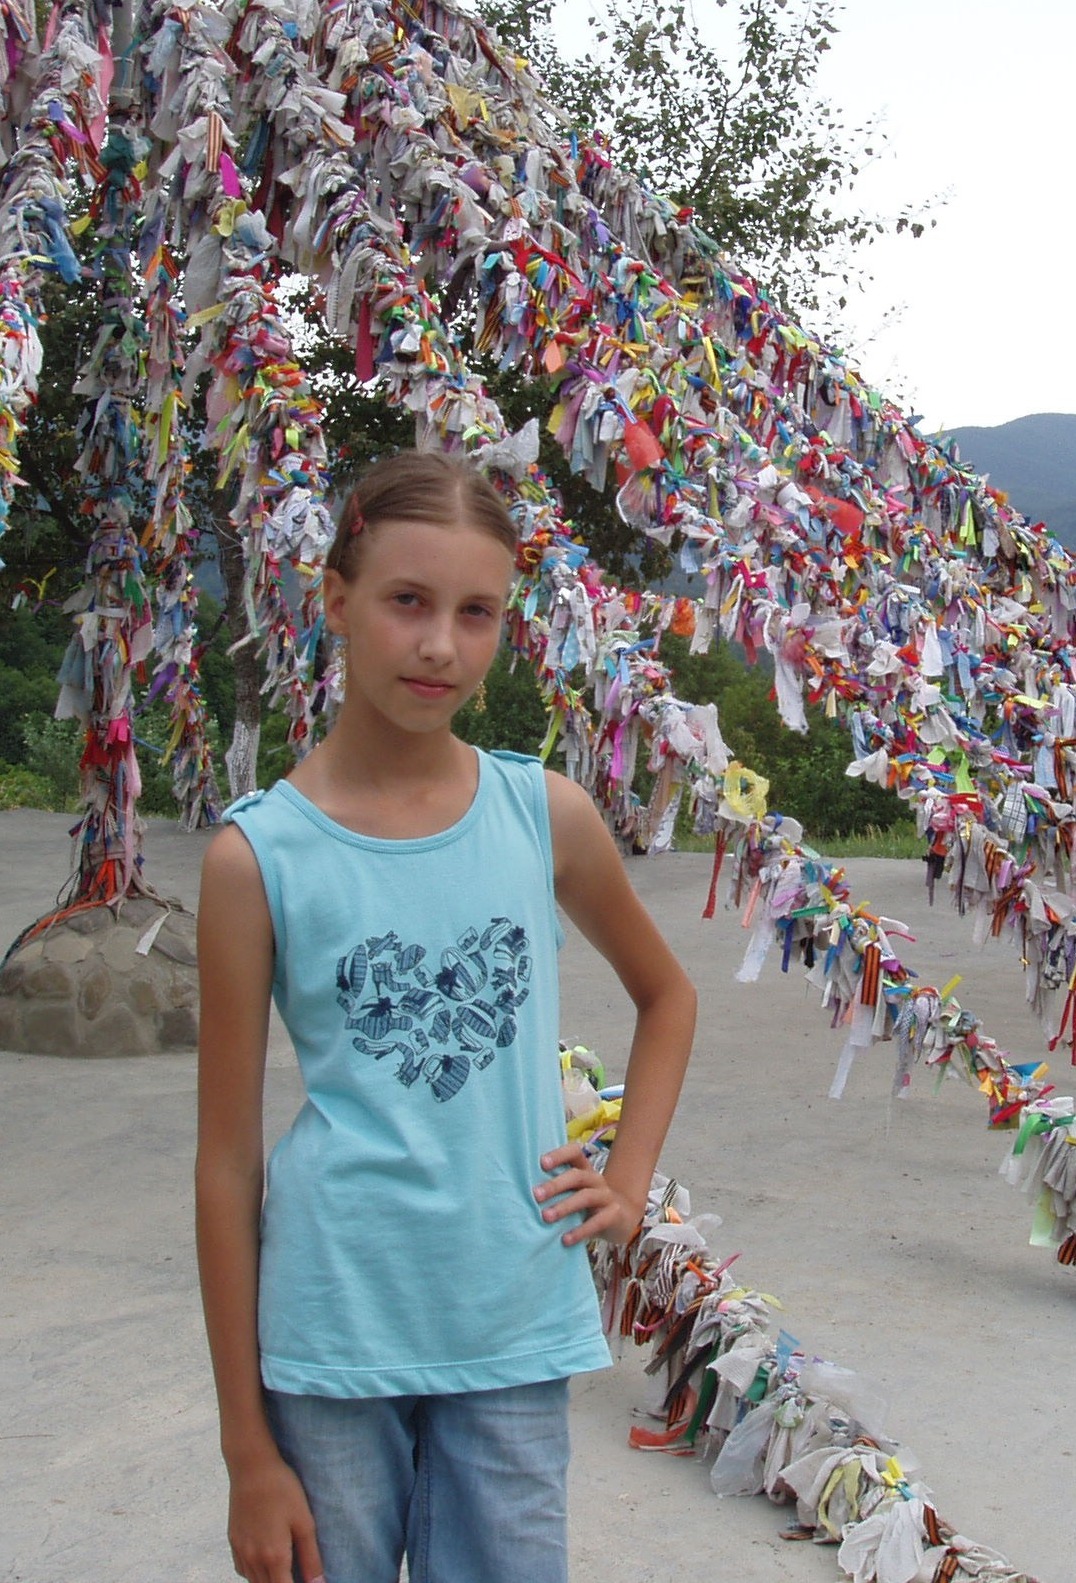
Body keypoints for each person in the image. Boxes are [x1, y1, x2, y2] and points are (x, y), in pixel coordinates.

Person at [193, 450, 698, 1583]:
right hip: (328, 1333)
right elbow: (226, 1166)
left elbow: (668, 995)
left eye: (477, 614)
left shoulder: (542, 816)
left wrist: (627, 1177)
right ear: (336, 602)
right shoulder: (257, 857)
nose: (439, 647)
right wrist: (244, 1451)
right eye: (406, 602)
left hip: (509, 1317)